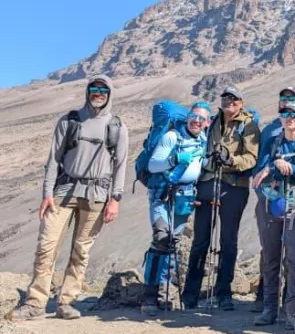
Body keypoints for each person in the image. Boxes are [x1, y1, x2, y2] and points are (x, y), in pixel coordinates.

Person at [11, 76, 129, 321]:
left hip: (97, 195)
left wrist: (115, 199)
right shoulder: (70, 120)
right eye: (94, 89)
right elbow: (53, 159)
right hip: (64, 192)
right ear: (87, 92)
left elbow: (121, 166)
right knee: (47, 246)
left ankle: (66, 301)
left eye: (103, 90)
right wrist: (46, 194)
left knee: (81, 251)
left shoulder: (117, 126)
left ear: (110, 94)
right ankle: (35, 303)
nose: (98, 93)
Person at [182, 85, 260, 310]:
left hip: (234, 185)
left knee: (228, 240)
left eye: (234, 99)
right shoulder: (213, 121)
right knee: (200, 240)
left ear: (241, 103)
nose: (229, 101)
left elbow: (252, 158)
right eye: (226, 97)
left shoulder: (249, 125)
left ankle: (223, 293)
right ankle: (190, 293)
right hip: (209, 181)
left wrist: (231, 161)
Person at [252, 100, 295, 332]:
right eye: (284, 113)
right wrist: (273, 166)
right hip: (273, 204)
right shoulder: (272, 141)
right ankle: (269, 308)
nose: (289, 118)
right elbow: (257, 174)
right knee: (270, 256)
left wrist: (276, 165)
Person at [140, 101, 211, 316]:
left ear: (207, 123)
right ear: (187, 117)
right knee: (161, 239)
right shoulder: (172, 137)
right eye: (193, 116)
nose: (196, 121)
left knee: (173, 243)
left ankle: (165, 295)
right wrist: (175, 159)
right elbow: (153, 165)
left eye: (201, 118)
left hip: (185, 197)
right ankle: (150, 296)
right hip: (162, 194)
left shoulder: (203, 141)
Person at [250, 85, 295, 313]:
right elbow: (259, 167)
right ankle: (267, 302)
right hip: (270, 200)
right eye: (283, 99)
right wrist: (266, 193)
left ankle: (290, 302)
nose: (287, 103)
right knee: (270, 252)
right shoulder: (270, 131)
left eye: (292, 99)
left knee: (293, 254)